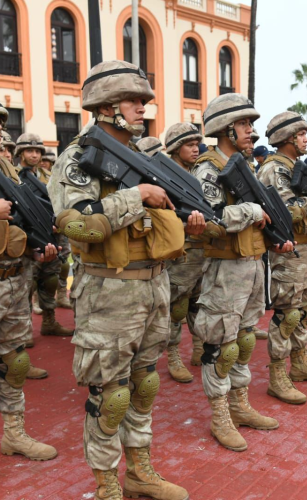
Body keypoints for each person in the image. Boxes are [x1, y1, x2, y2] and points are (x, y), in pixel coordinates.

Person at [48, 60, 191, 500]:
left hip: (153, 283)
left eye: (144, 101)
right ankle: (107, 481)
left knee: (145, 383)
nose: (142, 108)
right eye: (133, 100)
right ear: (106, 105)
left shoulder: (146, 157)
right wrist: (137, 196)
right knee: (110, 395)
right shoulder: (77, 158)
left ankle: (140, 470)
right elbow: (75, 225)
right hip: (107, 289)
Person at [192, 93, 286, 452]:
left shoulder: (242, 165)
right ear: (227, 128)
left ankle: (240, 404)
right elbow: (208, 219)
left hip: (252, 262)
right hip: (224, 267)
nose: (252, 131)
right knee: (221, 345)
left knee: (246, 340)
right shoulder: (209, 168)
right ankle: (220, 415)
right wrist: (250, 212)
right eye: (246, 124)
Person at [258, 111, 307, 404]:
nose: (306, 139)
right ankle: (277, 376)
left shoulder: (295, 166)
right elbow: (285, 210)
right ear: (289, 137)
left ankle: (300, 363)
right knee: (287, 313)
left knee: (303, 310)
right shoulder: (274, 169)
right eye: (302, 134)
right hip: (290, 252)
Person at [0, 104, 59, 461]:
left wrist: (36, 250)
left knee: (16, 362)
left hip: (13, 278)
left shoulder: (7, 169)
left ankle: (13, 434)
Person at [14, 134, 73, 337]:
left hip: (53, 236)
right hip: (28, 239)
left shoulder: (48, 177)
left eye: (37, 151)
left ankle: (49, 321)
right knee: (27, 283)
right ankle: (25, 330)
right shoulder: (13, 177)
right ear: (20, 153)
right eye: (29, 151)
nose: (34, 154)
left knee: (50, 279)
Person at [163, 122, 204, 382]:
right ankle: (173, 355)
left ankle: (199, 346)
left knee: (199, 303)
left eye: (196, 144)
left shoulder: (199, 173)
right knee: (177, 307)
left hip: (203, 249)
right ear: (176, 148)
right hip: (181, 251)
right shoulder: (165, 176)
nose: (196, 148)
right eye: (189, 144)